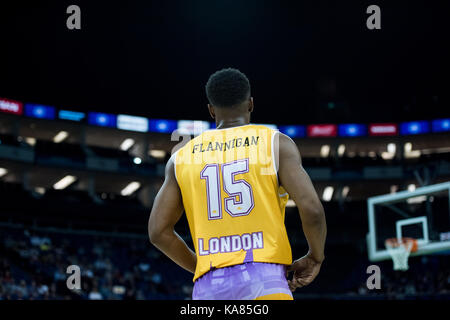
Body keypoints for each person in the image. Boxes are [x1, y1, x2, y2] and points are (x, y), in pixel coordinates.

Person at [149, 68, 326, 300]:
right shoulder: (276, 144)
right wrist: (315, 256)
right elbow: (311, 208)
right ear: (251, 104)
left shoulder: (180, 157)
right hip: (265, 277)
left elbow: (158, 232)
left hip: (209, 288)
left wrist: (203, 268)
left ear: (211, 110)